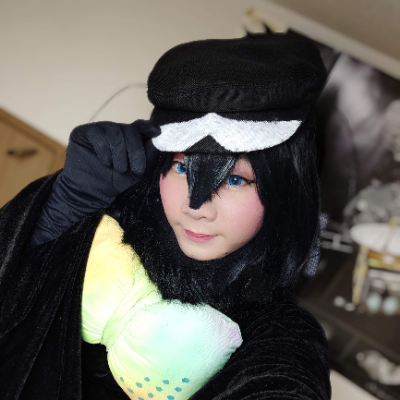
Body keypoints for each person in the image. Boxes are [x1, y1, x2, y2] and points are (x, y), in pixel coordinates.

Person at [0, 32, 331, 400]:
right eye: (180, 167)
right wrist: (60, 208)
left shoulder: (278, 330)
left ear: (286, 189)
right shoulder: (104, 234)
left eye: (235, 179)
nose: (196, 207)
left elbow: (283, 380)